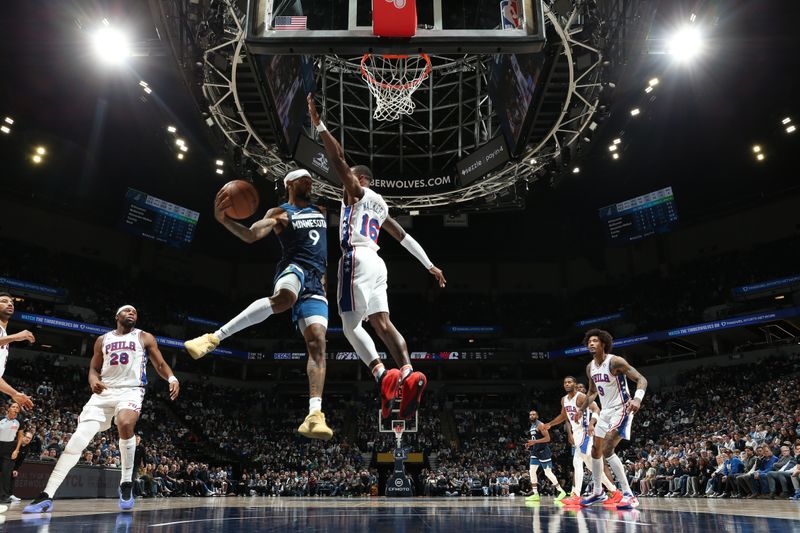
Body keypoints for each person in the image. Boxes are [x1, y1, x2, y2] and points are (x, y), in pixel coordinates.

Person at [307, 94, 446, 420]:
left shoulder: (355, 191)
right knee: (382, 324)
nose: (344, 183)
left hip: (355, 258)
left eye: (348, 178)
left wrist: (319, 125)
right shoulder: (380, 207)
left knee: (349, 324)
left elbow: (338, 156)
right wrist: (430, 265)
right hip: (377, 263)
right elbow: (405, 237)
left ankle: (382, 375)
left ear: (358, 179)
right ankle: (409, 372)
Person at [184, 171, 332, 440]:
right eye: (304, 179)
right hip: (294, 269)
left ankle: (314, 414)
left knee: (318, 342)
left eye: (311, 180)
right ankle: (212, 338)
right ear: (289, 184)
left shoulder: (321, 209)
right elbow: (253, 235)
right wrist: (224, 220)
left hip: (316, 282)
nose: (310, 183)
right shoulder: (280, 212)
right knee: (284, 299)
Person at [23, 305, 180, 513]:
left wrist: (171, 377)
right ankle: (46, 495)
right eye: (127, 311)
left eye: (135, 311)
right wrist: (93, 381)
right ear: (117, 316)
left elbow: (159, 364)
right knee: (76, 441)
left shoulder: (144, 337)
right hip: (104, 392)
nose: (132, 313)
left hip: (131, 390)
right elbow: (94, 368)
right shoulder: (102, 340)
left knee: (125, 423)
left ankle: (126, 482)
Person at [576, 329, 647, 509]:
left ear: (603, 344)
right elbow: (592, 392)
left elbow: (641, 379)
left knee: (607, 448)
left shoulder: (615, 361)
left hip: (621, 408)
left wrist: (637, 399)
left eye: (595, 341)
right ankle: (598, 492)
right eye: (589, 341)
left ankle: (629, 495)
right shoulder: (590, 367)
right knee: (595, 450)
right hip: (606, 411)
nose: (591, 343)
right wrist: (581, 410)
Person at [543, 376, 620, 505]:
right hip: (577, 433)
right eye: (565, 382)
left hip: (586, 433)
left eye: (569, 382)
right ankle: (614, 491)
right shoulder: (564, 400)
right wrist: (550, 424)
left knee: (578, 462)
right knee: (591, 467)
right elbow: (563, 415)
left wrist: (591, 423)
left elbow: (597, 409)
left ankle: (576, 495)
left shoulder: (581, 397)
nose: (567, 384)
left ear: (574, 384)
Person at [0, 292, 34, 410]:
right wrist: (15, 337)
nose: (10, 304)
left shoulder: (3, 333)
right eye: (4, 301)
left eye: (11, 302)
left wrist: (14, 393)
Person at [524, 409, 566, 502]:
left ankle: (561, 491)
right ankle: (535, 494)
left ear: (537, 416)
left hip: (543, 452)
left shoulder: (540, 425)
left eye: (534, 414)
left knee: (548, 473)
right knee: (532, 471)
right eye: (530, 415)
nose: (532, 416)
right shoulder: (532, 426)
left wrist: (534, 442)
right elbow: (534, 438)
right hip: (535, 451)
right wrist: (530, 444)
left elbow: (547, 438)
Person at [0, 402, 24, 507]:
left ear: (18, 410)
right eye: (13, 406)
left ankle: (4, 496)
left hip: (10, 448)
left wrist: (17, 450)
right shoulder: (1, 419)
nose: (15, 408)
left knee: (6, 473)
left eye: (17, 407)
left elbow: (20, 437)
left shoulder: (19, 422)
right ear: (8, 409)